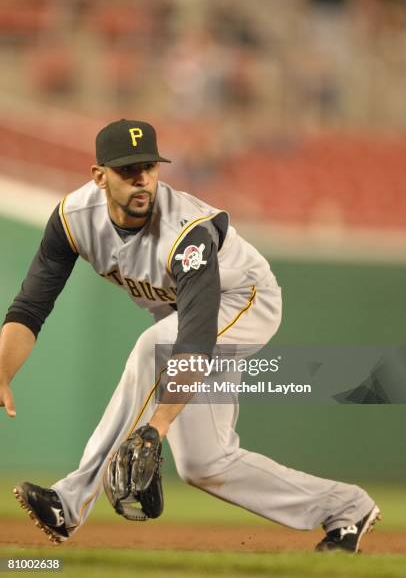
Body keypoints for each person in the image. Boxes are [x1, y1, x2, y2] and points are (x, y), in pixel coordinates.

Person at [0, 119, 380, 552]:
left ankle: (68, 503)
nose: (142, 179)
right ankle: (347, 508)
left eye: (149, 167)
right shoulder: (73, 219)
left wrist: (156, 427)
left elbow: (194, 341)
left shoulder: (186, 233)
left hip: (244, 298)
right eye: (128, 170)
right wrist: (3, 373)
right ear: (99, 176)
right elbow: (31, 306)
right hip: (182, 315)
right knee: (204, 463)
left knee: (152, 349)